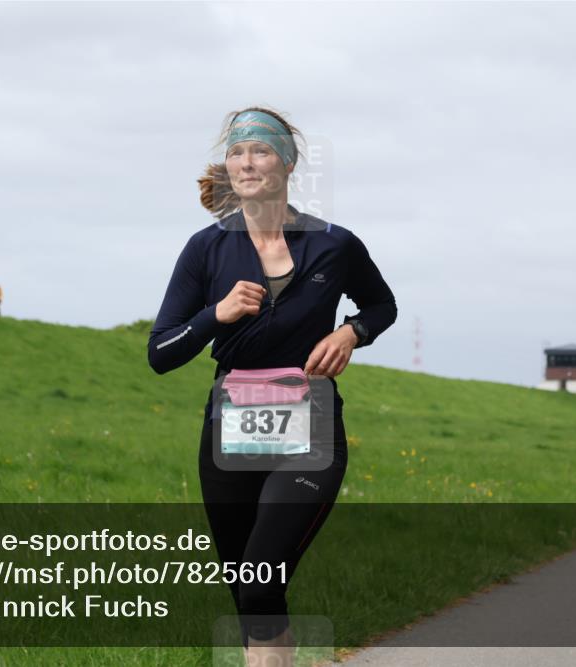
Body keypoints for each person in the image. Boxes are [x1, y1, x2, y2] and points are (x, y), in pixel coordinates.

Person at [147, 107, 396, 666]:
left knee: (260, 579)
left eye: (259, 151)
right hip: (230, 436)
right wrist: (217, 314)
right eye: (236, 152)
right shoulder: (205, 249)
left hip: (311, 432)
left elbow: (383, 305)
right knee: (250, 596)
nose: (246, 162)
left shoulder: (335, 245)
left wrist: (351, 333)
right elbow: (160, 353)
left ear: (286, 163)